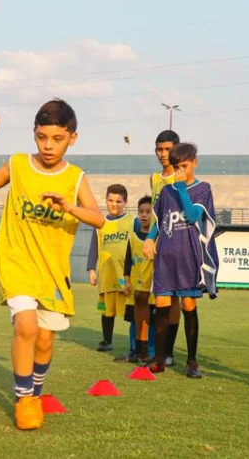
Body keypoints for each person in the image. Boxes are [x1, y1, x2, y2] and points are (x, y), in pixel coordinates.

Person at [0, 98, 105, 431]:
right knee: (26, 327)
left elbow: (98, 219)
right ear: (34, 133)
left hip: (53, 271)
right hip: (16, 260)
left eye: (57, 139)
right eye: (42, 137)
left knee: (45, 340)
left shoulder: (75, 178)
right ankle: (24, 399)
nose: (48, 146)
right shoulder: (19, 164)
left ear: (72, 138)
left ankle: (36, 391)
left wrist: (69, 208)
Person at [143, 143, 219, 378]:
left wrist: (181, 189)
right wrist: (149, 238)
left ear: (194, 163)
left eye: (184, 166)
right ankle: (159, 360)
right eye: (177, 167)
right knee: (163, 304)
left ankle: (192, 361)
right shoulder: (166, 192)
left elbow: (194, 215)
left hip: (189, 256)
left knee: (188, 305)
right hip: (166, 256)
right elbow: (159, 219)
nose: (180, 171)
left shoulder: (202, 189)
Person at [86, 184, 133, 353]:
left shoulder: (131, 221)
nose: (114, 204)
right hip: (107, 274)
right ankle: (107, 340)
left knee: (131, 309)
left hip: (126, 274)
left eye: (119, 201)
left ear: (126, 202)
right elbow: (94, 246)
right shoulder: (100, 222)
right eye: (111, 200)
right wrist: (91, 269)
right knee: (107, 311)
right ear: (106, 200)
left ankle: (135, 344)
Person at [150, 130, 181, 366]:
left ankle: (168, 351)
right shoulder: (154, 178)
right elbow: (155, 215)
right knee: (155, 299)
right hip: (155, 247)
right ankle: (149, 350)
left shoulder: (181, 178)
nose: (163, 154)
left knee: (177, 300)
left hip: (177, 246)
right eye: (160, 149)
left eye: (168, 149)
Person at [120, 195, 157, 364]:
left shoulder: (157, 239)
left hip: (152, 291)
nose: (144, 215)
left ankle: (150, 351)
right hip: (135, 289)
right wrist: (126, 281)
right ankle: (133, 350)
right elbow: (128, 262)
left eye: (148, 212)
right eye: (141, 212)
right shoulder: (133, 237)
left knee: (152, 322)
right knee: (134, 321)